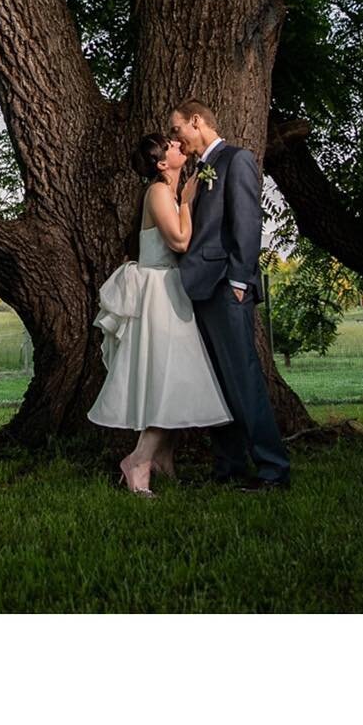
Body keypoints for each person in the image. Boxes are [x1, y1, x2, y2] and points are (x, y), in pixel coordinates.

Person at [88, 132, 233, 495]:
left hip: (170, 290)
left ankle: (163, 460)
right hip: (157, 296)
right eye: (170, 145)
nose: (177, 145)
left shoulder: (164, 191)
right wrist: (187, 200)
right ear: (160, 163)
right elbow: (180, 241)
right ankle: (137, 462)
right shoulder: (157, 192)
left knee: (173, 378)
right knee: (168, 379)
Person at [167, 99, 291, 491]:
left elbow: (248, 222)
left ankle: (273, 469)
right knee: (215, 383)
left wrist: (240, 281)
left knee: (241, 378)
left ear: (197, 121)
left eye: (177, 129)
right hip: (199, 287)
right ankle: (229, 466)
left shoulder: (236, 160)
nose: (176, 138)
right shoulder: (198, 170)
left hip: (225, 286)